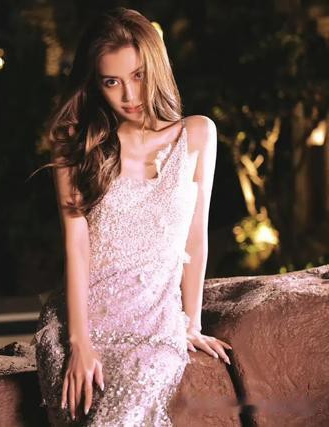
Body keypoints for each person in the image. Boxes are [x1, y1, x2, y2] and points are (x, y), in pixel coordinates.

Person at [31, 7, 232, 426]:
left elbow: (195, 237)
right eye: (112, 81)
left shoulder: (197, 134)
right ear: (95, 84)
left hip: (155, 325)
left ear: (156, 67)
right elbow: (77, 246)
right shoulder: (75, 143)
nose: (129, 95)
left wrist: (191, 323)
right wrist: (79, 343)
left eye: (138, 75)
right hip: (81, 321)